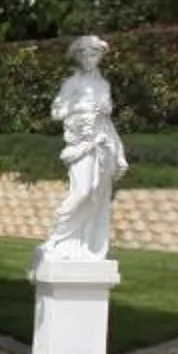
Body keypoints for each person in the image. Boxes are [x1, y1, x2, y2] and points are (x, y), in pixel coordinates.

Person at [39, 33, 127, 264]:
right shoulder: (72, 83)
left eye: (93, 54)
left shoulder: (103, 85)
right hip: (81, 143)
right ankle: (58, 237)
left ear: (100, 56)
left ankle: (86, 243)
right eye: (84, 54)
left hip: (103, 143)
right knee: (83, 191)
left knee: (97, 195)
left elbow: (107, 117)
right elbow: (56, 112)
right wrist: (79, 109)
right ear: (77, 57)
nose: (89, 58)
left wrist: (118, 151)